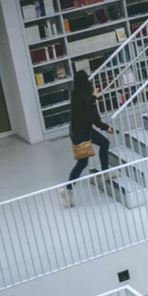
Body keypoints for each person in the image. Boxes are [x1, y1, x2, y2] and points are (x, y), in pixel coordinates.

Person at [62, 69, 115, 203]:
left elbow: (85, 106)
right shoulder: (86, 99)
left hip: (78, 130)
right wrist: (106, 127)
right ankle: (68, 189)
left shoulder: (76, 94)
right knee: (82, 163)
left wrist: (92, 98)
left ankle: (105, 173)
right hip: (82, 133)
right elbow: (93, 117)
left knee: (104, 143)